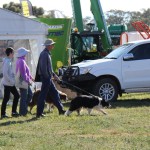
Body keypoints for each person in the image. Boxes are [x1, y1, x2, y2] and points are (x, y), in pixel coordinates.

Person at [35, 39, 65, 118]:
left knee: (55, 93)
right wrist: (48, 77)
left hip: (47, 78)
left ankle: (61, 110)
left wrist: (56, 77)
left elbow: (49, 69)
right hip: (46, 78)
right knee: (43, 95)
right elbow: (44, 68)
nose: (53, 46)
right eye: (52, 44)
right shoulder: (45, 54)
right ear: (48, 46)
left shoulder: (46, 53)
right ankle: (39, 113)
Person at [1, 47, 20, 118]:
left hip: (9, 83)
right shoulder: (7, 62)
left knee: (16, 96)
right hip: (8, 83)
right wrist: (10, 81)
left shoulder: (8, 60)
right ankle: (3, 114)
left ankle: (13, 112)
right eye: (13, 53)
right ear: (10, 53)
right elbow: (5, 73)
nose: (13, 54)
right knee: (7, 98)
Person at [16, 47, 34, 116]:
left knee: (29, 95)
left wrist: (31, 78)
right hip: (24, 82)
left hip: (23, 81)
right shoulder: (21, 61)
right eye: (25, 53)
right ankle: (23, 112)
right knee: (25, 97)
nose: (26, 54)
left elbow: (26, 72)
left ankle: (23, 110)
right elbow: (23, 73)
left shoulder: (21, 60)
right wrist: (28, 81)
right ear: (23, 54)